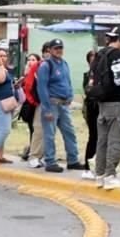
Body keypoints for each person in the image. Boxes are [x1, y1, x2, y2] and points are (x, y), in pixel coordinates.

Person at [90, 27, 120, 189]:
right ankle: (111, 175)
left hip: (102, 102)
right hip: (116, 103)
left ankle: (100, 174)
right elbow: (117, 80)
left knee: (102, 140)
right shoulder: (117, 54)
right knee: (116, 139)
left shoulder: (101, 53)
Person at [36, 38, 83, 174]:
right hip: (52, 104)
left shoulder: (64, 64)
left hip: (64, 105)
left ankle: (73, 160)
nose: (59, 50)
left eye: (60, 48)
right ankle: (50, 161)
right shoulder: (46, 66)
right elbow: (42, 88)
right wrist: (46, 109)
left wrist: (70, 96)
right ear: (49, 50)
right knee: (50, 134)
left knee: (70, 132)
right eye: (56, 48)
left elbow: (67, 81)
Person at [24, 41, 51, 168]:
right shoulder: (38, 66)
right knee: (38, 130)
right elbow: (28, 86)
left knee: (50, 131)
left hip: (53, 103)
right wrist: (34, 102)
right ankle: (34, 156)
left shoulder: (59, 66)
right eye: (48, 51)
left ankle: (46, 155)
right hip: (40, 103)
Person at [18, 53, 41, 162]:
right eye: (29, 59)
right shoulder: (26, 74)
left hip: (35, 103)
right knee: (32, 128)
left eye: (33, 59)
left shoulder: (38, 73)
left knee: (36, 129)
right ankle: (31, 150)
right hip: (28, 105)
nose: (30, 62)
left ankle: (32, 150)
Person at [80, 50, 99, 177]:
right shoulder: (88, 76)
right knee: (93, 137)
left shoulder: (103, 74)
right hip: (92, 108)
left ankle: (97, 165)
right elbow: (89, 91)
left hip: (101, 107)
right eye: (92, 60)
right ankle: (88, 167)